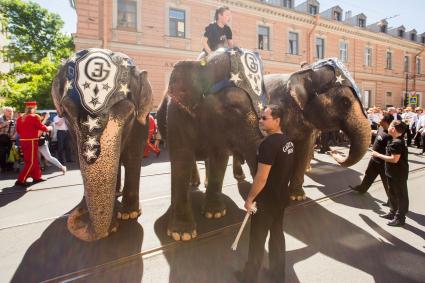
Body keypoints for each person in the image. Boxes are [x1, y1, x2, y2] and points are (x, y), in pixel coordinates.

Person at [237, 105, 294, 283]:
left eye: (264, 118)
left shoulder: (268, 144)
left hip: (266, 202)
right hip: (281, 198)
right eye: (260, 117)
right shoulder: (288, 142)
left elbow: (261, 178)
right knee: (277, 237)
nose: (260, 121)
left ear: (277, 121)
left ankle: (249, 278)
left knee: (256, 241)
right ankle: (278, 276)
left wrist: (249, 199)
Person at [372, 120, 409, 226]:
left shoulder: (397, 142)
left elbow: (394, 159)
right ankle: (392, 212)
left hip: (398, 174)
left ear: (393, 129)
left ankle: (400, 218)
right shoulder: (394, 139)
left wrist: (377, 155)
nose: (388, 128)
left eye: (390, 126)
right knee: (392, 193)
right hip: (391, 172)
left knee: (400, 196)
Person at [349, 114, 394, 200]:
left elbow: (391, 151)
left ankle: (392, 200)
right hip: (374, 159)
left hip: (383, 162)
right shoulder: (381, 127)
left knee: (386, 181)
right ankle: (362, 189)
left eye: (381, 119)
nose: (379, 119)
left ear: (385, 121)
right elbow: (378, 134)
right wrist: (369, 131)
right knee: (368, 175)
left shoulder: (390, 134)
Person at [15, 101, 52, 186]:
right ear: (34, 108)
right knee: (31, 162)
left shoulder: (20, 118)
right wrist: (49, 128)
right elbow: (41, 127)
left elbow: (18, 131)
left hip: (24, 141)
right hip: (31, 141)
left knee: (33, 160)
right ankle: (21, 179)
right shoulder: (34, 117)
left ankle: (36, 177)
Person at [0, 107, 17, 172]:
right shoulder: (1, 118)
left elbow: (17, 130)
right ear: (4, 112)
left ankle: (10, 167)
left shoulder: (15, 120)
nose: (10, 112)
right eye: (8, 111)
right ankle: (3, 167)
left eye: (11, 111)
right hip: (2, 139)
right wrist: (6, 123)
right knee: (2, 153)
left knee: (11, 153)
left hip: (11, 139)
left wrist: (15, 135)